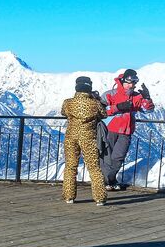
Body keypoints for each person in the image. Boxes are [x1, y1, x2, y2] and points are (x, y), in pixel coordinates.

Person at [101, 68, 156, 191]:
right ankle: (107, 181)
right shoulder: (110, 94)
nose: (131, 85)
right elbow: (100, 111)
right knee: (106, 156)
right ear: (122, 81)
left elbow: (148, 110)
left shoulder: (136, 97)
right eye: (129, 83)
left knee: (118, 157)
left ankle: (109, 180)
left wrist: (147, 98)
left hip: (126, 131)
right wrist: (117, 107)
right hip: (109, 129)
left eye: (134, 83)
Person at [61, 76, 108, 206]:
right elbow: (104, 115)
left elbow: (63, 113)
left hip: (71, 137)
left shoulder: (68, 102)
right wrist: (96, 99)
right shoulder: (95, 103)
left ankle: (69, 196)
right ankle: (100, 198)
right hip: (89, 137)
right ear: (89, 88)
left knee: (70, 166)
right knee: (94, 167)